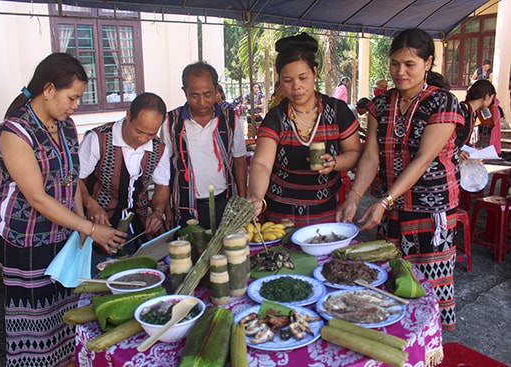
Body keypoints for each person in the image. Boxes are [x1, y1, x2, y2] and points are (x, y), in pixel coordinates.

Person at [0, 53, 127, 367]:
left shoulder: (65, 126)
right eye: (72, 97)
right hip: (26, 241)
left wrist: (79, 225)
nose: (75, 105)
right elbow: (35, 197)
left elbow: (71, 178)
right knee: (36, 322)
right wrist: (89, 227)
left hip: (61, 234)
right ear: (48, 89)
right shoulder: (15, 131)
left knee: (68, 313)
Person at [336, 28, 465, 331]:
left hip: (431, 212)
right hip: (393, 209)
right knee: (391, 281)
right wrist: (354, 197)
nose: (400, 71)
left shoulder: (443, 103)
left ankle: (431, 348)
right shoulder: (380, 105)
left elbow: (423, 159)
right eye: (395, 63)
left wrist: (383, 200)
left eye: (410, 64)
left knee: (429, 286)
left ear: (428, 63)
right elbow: (370, 157)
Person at [247, 33, 361, 226]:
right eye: (287, 80)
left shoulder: (337, 111)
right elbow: (262, 164)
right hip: (281, 216)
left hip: (326, 211)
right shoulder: (276, 117)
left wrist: (335, 162)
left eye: (303, 78)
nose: (296, 87)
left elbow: (354, 152)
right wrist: (257, 196)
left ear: (315, 73)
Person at [78, 92, 173, 263]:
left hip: (138, 228)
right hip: (99, 227)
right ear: (128, 115)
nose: (143, 138)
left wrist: (158, 212)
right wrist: (91, 204)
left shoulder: (160, 149)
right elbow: (76, 179)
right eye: (138, 131)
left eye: (150, 134)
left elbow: (162, 186)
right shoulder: (98, 138)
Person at [162, 62, 248, 229]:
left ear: (216, 89)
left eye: (207, 94)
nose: (201, 102)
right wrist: (167, 210)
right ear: (184, 91)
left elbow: (239, 161)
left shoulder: (230, 119)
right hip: (185, 206)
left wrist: (242, 201)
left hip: (225, 202)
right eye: (194, 95)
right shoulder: (171, 122)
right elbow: (163, 170)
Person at [456, 80, 496, 160]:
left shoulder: (473, 113)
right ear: (487, 96)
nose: (491, 103)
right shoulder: (461, 110)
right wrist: (457, 152)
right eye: (492, 99)